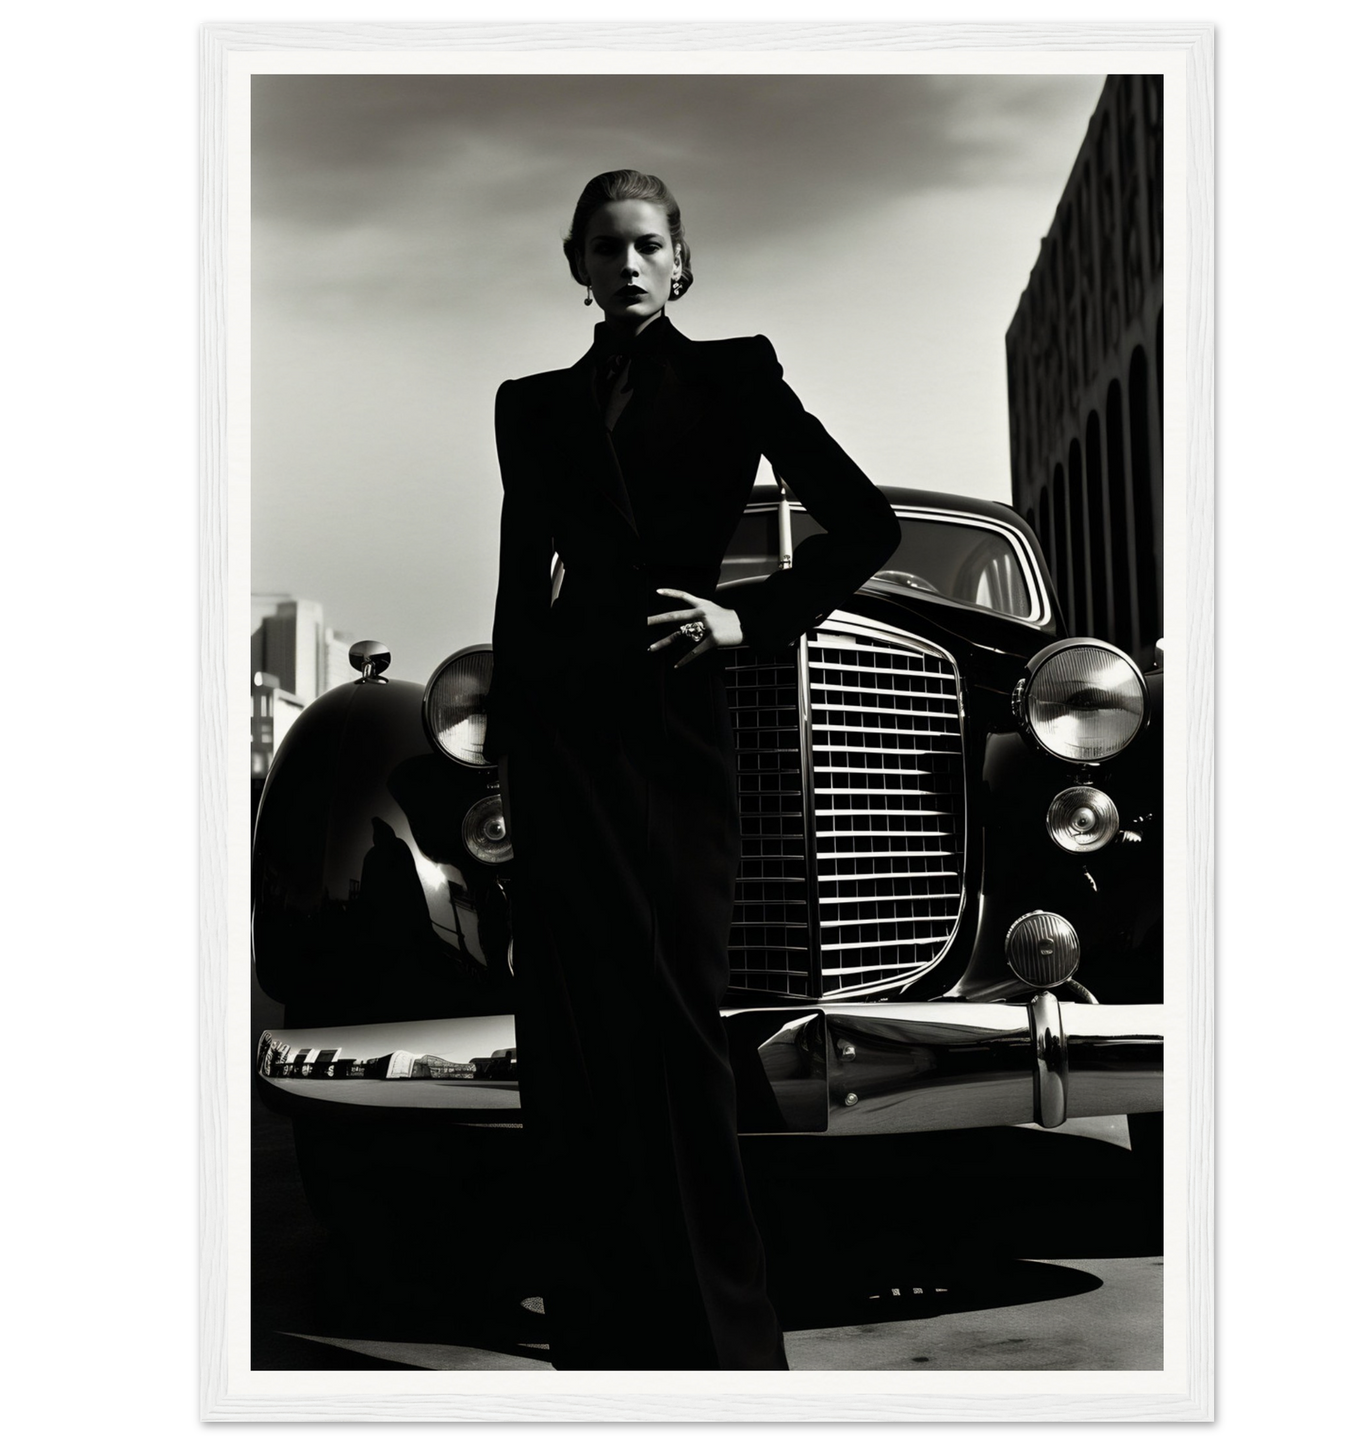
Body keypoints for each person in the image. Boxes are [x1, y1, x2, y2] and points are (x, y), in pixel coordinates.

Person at [484, 169, 900, 1370]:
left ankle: (722, 1344)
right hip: (564, 746)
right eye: (604, 247)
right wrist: (509, 764)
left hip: (673, 737)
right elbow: (520, 588)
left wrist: (747, 620)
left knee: (674, 1036)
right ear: (574, 263)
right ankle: (599, 1340)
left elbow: (859, 523)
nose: (625, 265)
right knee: (574, 1045)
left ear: (680, 263)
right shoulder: (527, 404)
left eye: (647, 245)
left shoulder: (735, 374)